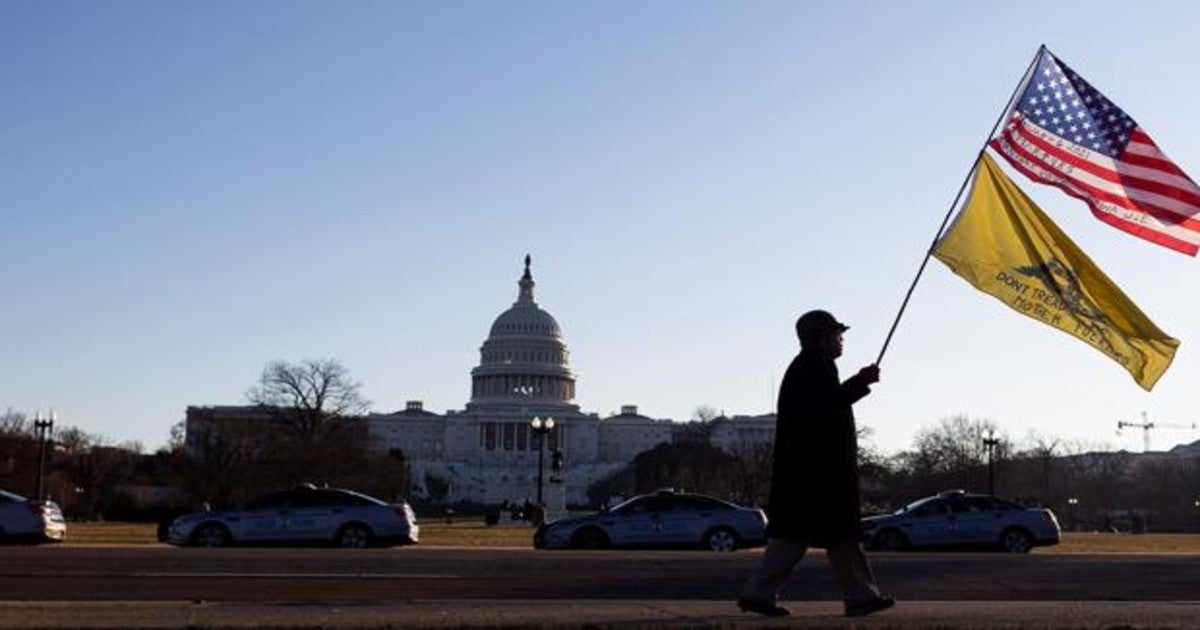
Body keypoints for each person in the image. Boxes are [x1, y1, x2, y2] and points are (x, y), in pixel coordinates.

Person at [737, 309, 895, 618]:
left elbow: (825, 405)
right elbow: (826, 408)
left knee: (814, 538)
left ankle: (857, 596)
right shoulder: (814, 367)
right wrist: (861, 382)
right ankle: (859, 597)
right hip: (818, 475)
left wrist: (857, 384)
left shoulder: (810, 366)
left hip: (808, 474)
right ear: (822, 339)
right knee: (830, 537)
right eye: (838, 335)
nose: (841, 340)